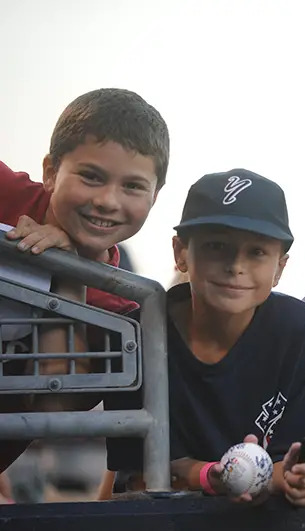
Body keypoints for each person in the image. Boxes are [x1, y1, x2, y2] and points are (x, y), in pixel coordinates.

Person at [102, 170, 305, 507]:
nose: (236, 265)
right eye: (216, 246)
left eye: (256, 252)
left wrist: (300, 479)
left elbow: (294, 462)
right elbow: (134, 475)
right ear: (181, 252)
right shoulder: (135, 335)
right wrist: (212, 476)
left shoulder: (302, 330)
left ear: (280, 268)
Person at [0, 88, 169, 473]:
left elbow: (53, 406)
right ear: (49, 172)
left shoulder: (124, 315)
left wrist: (67, 273)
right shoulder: (5, 192)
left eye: (132, 186)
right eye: (91, 177)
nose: (109, 200)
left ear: (155, 196)